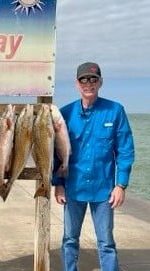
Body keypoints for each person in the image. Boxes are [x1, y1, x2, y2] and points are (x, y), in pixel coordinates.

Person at [52, 62, 135, 271]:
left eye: (93, 79)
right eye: (84, 79)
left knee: (106, 242)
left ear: (100, 82)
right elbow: (57, 152)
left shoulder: (115, 111)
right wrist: (58, 184)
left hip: (104, 190)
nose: (88, 83)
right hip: (73, 188)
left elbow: (125, 151)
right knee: (70, 239)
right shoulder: (65, 114)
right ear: (77, 84)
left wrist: (121, 185)